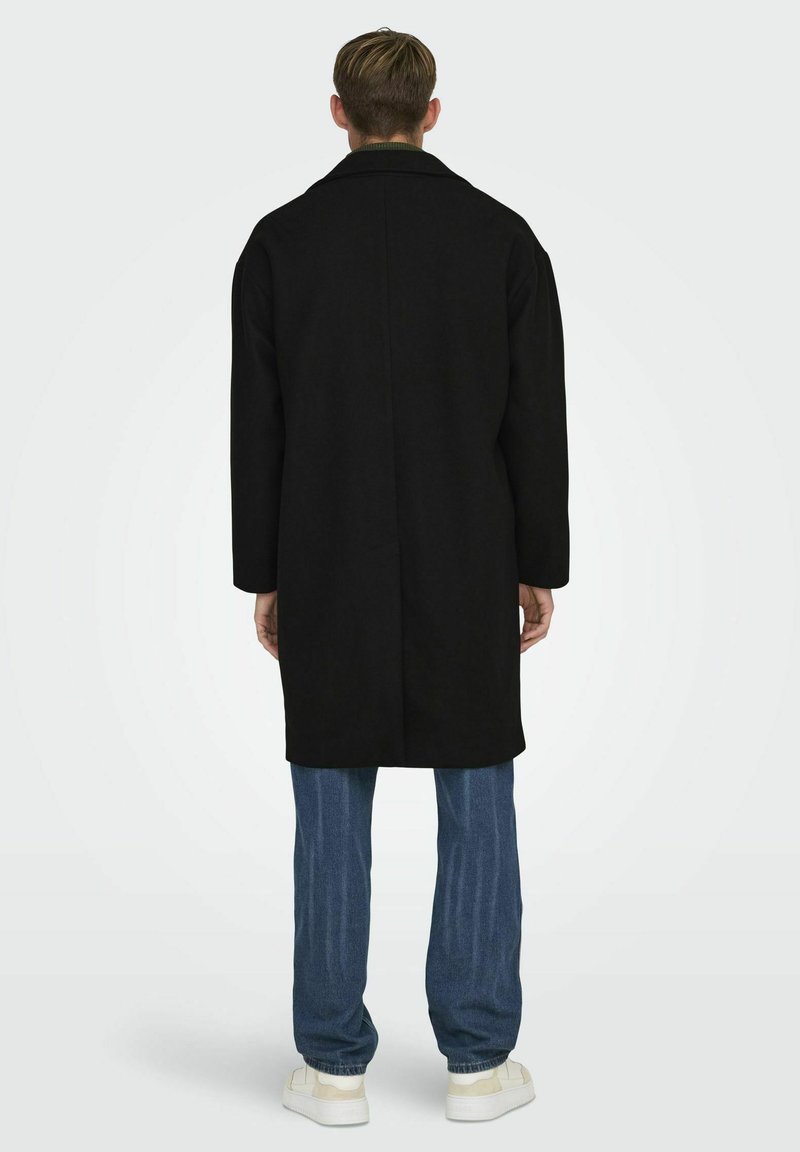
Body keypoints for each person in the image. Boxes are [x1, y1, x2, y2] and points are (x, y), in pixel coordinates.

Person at [230, 27, 569, 1126]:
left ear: (339, 112)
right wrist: (537, 565)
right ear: (431, 112)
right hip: (469, 553)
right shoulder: (501, 239)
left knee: (330, 795)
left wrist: (263, 572)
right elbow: (535, 420)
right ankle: (477, 1062)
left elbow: (259, 427)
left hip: (323, 554)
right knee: (477, 793)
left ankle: (333, 1068)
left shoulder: (279, 244)